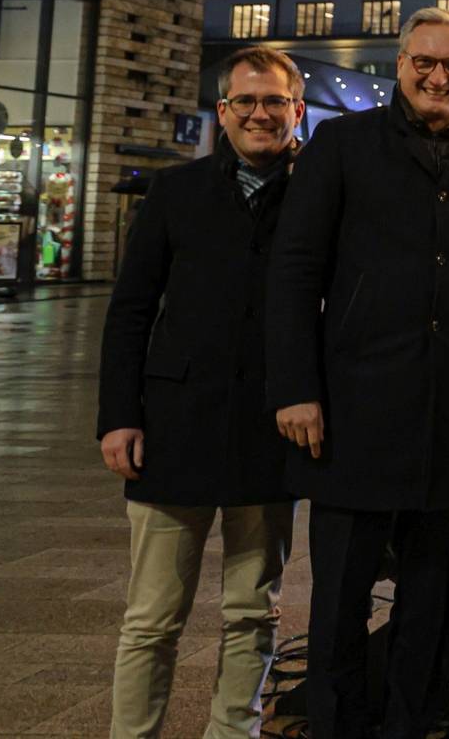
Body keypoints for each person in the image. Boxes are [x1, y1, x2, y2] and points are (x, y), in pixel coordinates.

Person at [267, 7, 449, 739]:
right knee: (340, 598)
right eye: (425, 62)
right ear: (399, 63)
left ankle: (409, 724)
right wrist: (296, 388)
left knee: (430, 597)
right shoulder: (342, 144)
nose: (439, 76)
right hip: (352, 413)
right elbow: (294, 270)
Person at [97, 47, 304, 739]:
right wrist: (118, 417)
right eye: (245, 101)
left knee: (252, 613)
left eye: (274, 101)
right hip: (175, 425)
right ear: (222, 113)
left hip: (268, 432)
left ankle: (231, 732)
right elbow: (131, 309)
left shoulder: (317, 192)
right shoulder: (176, 192)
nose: (259, 113)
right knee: (152, 617)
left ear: (296, 111)